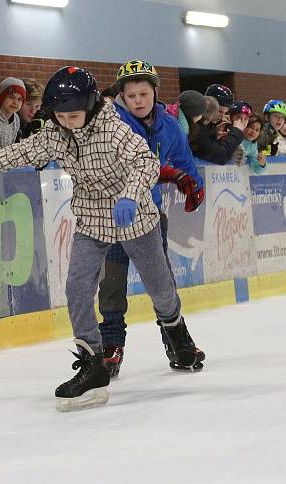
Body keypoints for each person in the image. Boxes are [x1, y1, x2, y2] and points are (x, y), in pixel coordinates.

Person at [0, 66, 203, 412]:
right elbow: (20, 153)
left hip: (135, 218)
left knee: (160, 288)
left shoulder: (113, 128)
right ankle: (92, 362)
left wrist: (131, 196)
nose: (68, 122)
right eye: (60, 115)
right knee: (77, 287)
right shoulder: (55, 132)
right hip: (91, 220)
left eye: (74, 115)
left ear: (89, 107)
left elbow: (145, 163)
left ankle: (177, 334)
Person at [101, 58, 206, 376]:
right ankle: (110, 347)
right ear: (122, 96)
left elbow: (185, 159)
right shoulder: (111, 124)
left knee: (162, 283)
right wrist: (175, 176)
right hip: (114, 216)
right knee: (112, 284)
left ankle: (177, 343)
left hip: (149, 216)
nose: (138, 101)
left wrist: (194, 186)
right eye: (131, 96)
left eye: (143, 94)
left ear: (154, 92)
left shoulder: (170, 124)